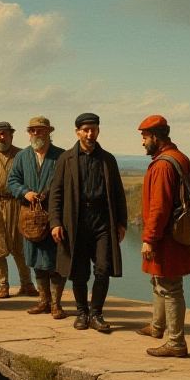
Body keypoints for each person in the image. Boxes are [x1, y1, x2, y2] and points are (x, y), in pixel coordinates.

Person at [49, 113, 127, 333]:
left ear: (98, 131)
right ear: (77, 132)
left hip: (103, 221)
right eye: (85, 130)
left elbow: (118, 193)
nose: (90, 134)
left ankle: (97, 314)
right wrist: (55, 221)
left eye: (93, 129)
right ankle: (82, 312)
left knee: (103, 268)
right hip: (76, 221)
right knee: (79, 272)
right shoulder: (67, 159)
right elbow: (56, 193)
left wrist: (121, 223)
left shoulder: (108, 159)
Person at [135, 115, 190, 358]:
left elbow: (159, 208)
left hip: (165, 236)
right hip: (176, 232)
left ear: (156, 138)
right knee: (159, 281)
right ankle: (158, 326)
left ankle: (176, 342)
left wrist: (149, 238)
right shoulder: (179, 157)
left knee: (170, 287)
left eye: (144, 138)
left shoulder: (162, 165)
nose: (142, 143)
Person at [7, 116, 69, 319]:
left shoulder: (62, 156)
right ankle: (43, 302)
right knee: (36, 261)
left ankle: (56, 304)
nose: (36, 135)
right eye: (32, 131)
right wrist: (25, 192)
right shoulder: (23, 156)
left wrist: (50, 195)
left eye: (40, 131)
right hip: (30, 219)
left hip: (55, 217)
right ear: (28, 133)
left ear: (49, 132)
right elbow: (13, 180)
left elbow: (70, 184)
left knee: (56, 263)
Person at [0, 121, 38, 299]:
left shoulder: (22, 155)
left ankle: (26, 283)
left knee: (20, 246)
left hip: (17, 204)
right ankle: (3, 285)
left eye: (4, 134)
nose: (1, 137)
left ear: (11, 136)